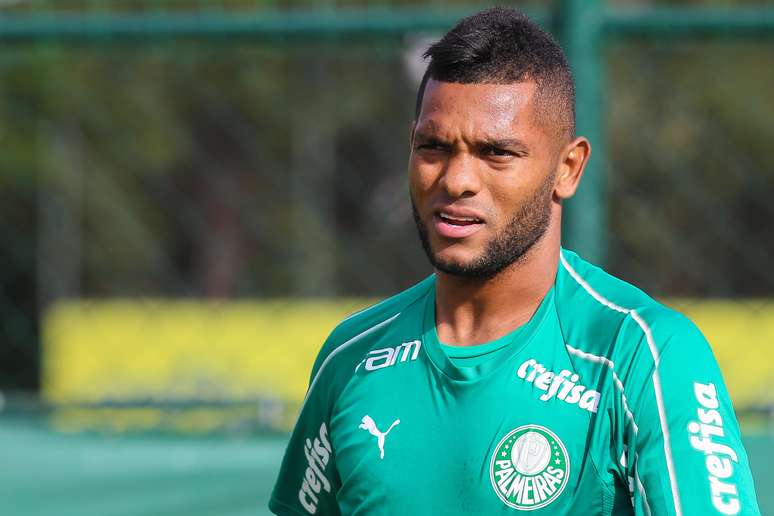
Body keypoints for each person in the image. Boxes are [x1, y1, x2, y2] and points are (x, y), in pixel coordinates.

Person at [269, 7, 760, 515]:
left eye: (496, 153)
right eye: (433, 147)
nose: (456, 180)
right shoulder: (351, 358)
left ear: (567, 169)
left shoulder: (641, 356)